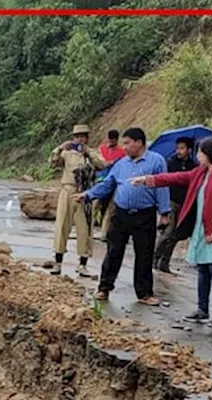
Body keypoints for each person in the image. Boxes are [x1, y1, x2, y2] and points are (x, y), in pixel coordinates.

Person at [130, 136, 212, 327]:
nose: (197, 155)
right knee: (202, 268)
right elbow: (177, 177)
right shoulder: (201, 172)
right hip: (201, 226)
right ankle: (202, 309)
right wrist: (149, 180)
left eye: (200, 152)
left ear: (209, 154)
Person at [77, 127, 171, 305]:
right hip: (121, 213)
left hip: (145, 215)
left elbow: (162, 187)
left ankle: (144, 293)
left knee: (144, 254)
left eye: (127, 143)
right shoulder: (121, 164)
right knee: (113, 251)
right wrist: (88, 195)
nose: (125, 147)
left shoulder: (156, 162)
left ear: (139, 143)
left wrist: (164, 212)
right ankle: (104, 288)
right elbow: (108, 184)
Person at [48, 124, 108, 277]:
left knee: (85, 229)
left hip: (85, 192)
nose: (80, 139)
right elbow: (52, 162)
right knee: (62, 225)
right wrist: (60, 148)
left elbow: (103, 165)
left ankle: (82, 264)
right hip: (68, 189)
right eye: (77, 136)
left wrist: (88, 154)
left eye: (83, 136)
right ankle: (58, 262)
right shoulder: (67, 153)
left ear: (87, 138)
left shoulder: (92, 153)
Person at [153, 136, 200, 274]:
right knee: (168, 231)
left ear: (189, 150)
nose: (178, 151)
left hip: (186, 204)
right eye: (178, 148)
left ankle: (165, 261)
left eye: (182, 148)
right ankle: (155, 257)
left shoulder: (194, 166)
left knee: (177, 234)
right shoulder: (171, 163)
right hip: (171, 201)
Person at [94, 129, 124, 241]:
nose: (111, 142)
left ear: (116, 139)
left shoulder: (122, 153)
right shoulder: (101, 149)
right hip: (100, 181)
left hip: (114, 183)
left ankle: (104, 233)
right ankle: (87, 230)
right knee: (94, 205)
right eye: (110, 139)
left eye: (113, 140)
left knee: (110, 209)